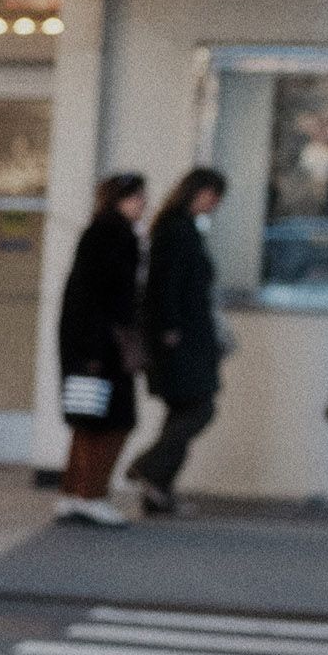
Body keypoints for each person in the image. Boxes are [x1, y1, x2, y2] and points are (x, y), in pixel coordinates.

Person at [127, 164, 230, 515]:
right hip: (179, 338)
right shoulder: (176, 229)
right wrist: (169, 328)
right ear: (199, 192)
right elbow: (164, 284)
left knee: (181, 411)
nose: (215, 204)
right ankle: (149, 467)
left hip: (184, 335)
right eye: (214, 196)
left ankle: (158, 493)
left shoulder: (180, 228)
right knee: (200, 407)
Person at [51, 171, 145, 523]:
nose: (143, 204)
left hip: (90, 344)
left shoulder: (101, 231)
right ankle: (92, 494)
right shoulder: (114, 235)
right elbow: (102, 296)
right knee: (112, 421)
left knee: (88, 419)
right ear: (119, 199)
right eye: (137, 198)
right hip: (102, 346)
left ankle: (74, 491)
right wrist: (92, 351)